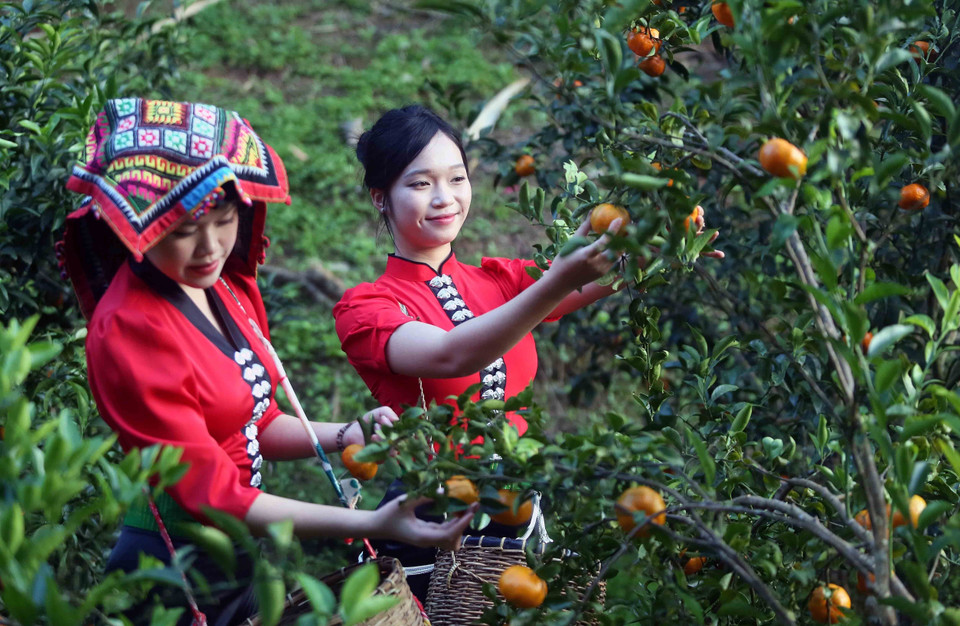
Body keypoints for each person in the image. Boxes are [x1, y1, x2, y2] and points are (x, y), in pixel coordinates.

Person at [58, 98, 476, 625]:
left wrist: (343, 433)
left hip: (233, 552)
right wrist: (376, 522)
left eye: (225, 220)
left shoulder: (225, 287)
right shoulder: (130, 329)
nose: (210, 247)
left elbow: (253, 422)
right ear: (140, 226)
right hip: (171, 566)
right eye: (185, 230)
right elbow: (212, 495)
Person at [333, 104, 697, 599]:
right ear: (381, 198)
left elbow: (610, 269)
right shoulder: (367, 307)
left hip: (518, 513)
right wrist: (554, 284)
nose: (445, 198)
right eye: (420, 184)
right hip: (435, 526)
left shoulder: (498, 279)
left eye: (457, 179)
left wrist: (669, 238)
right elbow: (448, 356)